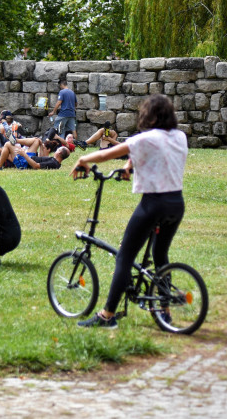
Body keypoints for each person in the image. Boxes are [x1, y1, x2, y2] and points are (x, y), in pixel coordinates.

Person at [75, 94, 187, 329]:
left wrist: (83, 159)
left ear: (148, 115)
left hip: (153, 203)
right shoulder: (179, 136)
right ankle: (163, 310)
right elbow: (158, 153)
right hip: (176, 203)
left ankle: (107, 315)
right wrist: (129, 165)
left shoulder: (146, 138)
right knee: (160, 256)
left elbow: (106, 154)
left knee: (125, 256)